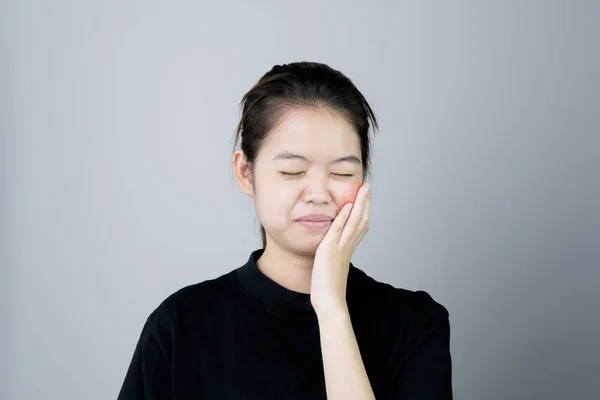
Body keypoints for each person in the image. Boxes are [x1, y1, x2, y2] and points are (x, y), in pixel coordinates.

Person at [117, 61, 453, 399]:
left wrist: (331, 307)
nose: (319, 194)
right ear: (246, 172)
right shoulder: (179, 327)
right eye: (292, 171)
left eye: (341, 173)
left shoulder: (415, 325)